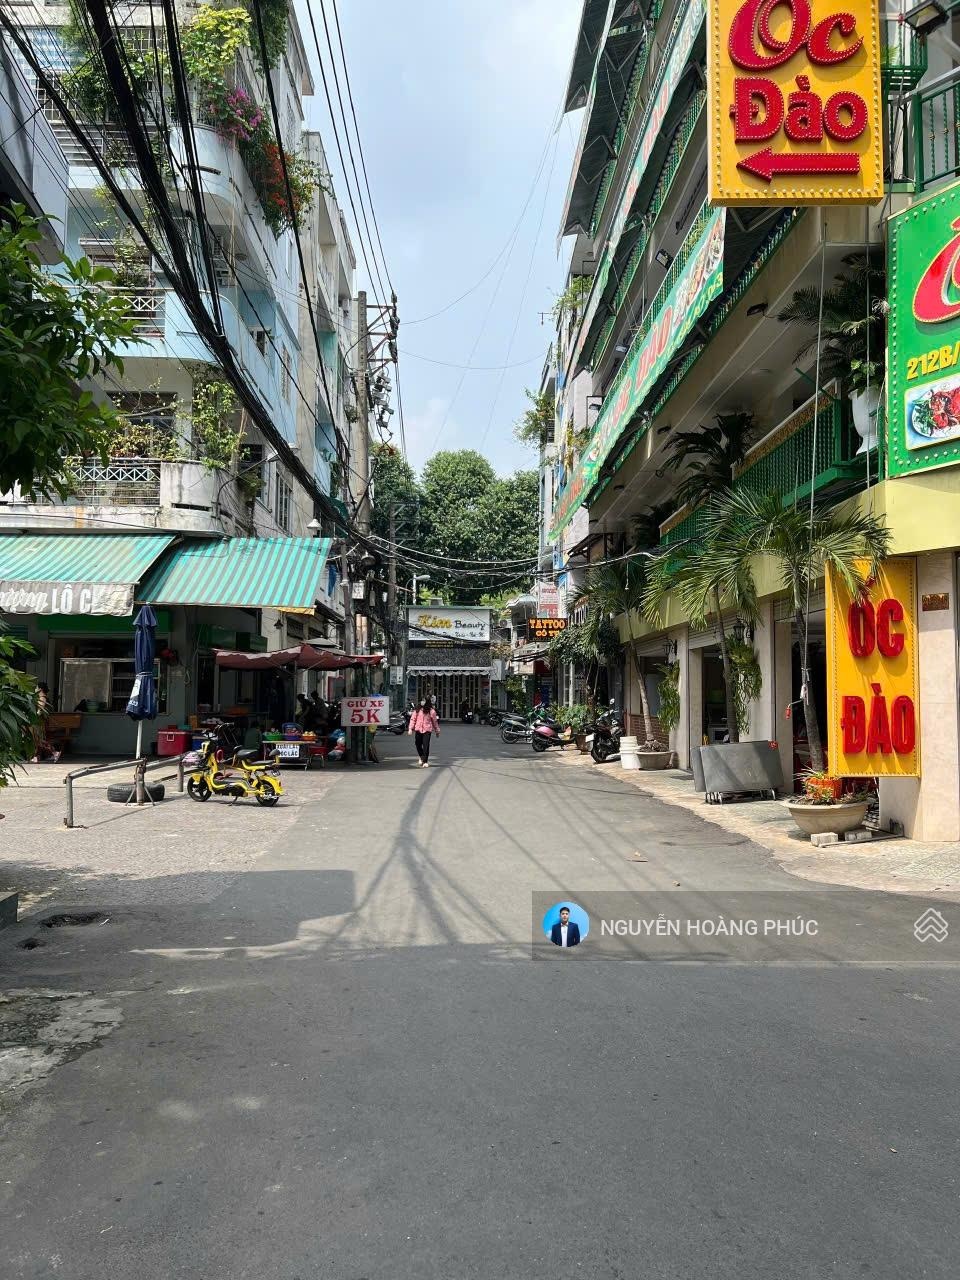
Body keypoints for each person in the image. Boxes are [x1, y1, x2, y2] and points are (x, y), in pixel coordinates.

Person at [408, 695, 440, 768]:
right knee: (417, 744)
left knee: (426, 745)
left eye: (424, 700)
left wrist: (437, 731)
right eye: (422, 700)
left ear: (427, 702)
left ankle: (425, 761)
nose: (422, 702)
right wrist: (410, 729)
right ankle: (421, 756)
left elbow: (435, 722)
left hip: (427, 730)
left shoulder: (431, 711)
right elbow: (413, 719)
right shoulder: (417, 710)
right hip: (418, 729)